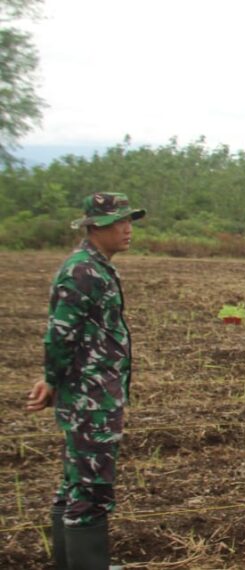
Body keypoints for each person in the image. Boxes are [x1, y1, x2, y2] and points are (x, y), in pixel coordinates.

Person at [26, 192, 146, 569]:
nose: (127, 229)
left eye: (128, 220)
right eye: (118, 222)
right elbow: (60, 334)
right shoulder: (83, 271)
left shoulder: (96, 266)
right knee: (91, 489)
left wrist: (54, 379)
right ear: (95, 226)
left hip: (92, 393)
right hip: (89, 398)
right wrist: (51, 379)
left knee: (76, 481)